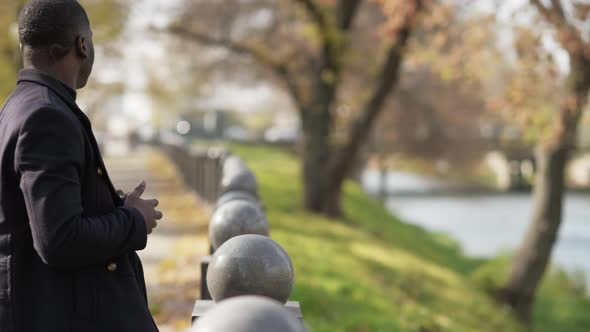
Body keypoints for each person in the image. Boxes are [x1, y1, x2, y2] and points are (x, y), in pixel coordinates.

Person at [0, 1, 163, 331]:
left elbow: (36, 216)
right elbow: (58, 239)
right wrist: (133, 220)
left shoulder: (18, 107)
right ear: (82, 45)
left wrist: (104, 204)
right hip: (57, 315)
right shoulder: (46, 117)